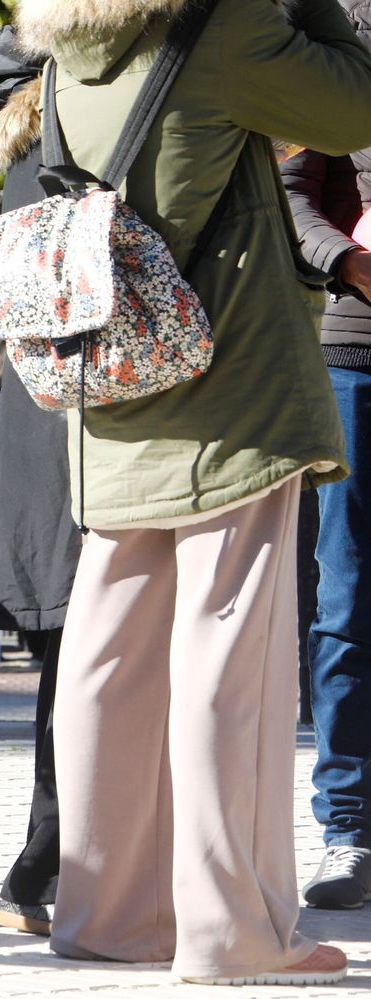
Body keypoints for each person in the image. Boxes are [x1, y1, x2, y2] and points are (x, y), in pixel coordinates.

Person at [11, 0, 371, 985]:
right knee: (233, 659)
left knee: (109, 655)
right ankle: (234, 932)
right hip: (230, 383)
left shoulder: (70, 35)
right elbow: (355, 109)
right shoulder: (233, 24)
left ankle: (108, 913)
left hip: (118, 378)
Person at [0, 26, 81, 942]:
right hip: (89, 430)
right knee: (89, 656)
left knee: (73, 659)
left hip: (47, 435)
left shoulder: (26, 153)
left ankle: (42, 862)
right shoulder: (88, 139)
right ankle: (49, 861)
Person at [281, 3, 371, 910]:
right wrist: (346, 260)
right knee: (346, 604)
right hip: (359, 356)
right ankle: (348, 829)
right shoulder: (346, 25)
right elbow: (292, 186)